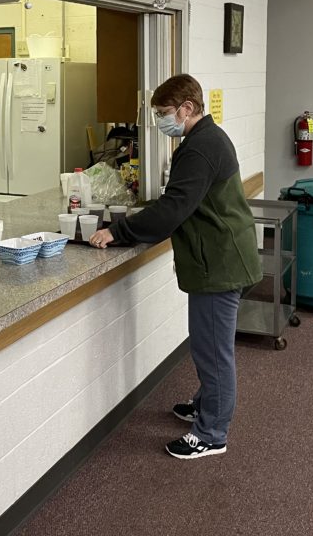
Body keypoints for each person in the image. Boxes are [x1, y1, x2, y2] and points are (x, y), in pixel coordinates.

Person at [89, 74, 261, 460]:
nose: (162, 121)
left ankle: (212, 433)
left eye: (165, 113)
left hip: (218, 263)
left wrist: (119, 231)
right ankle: (205, 405)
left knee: (214, 352)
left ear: (187, 108)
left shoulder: (199, 149)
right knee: (207, 344)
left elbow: (173, 211)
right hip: (221, 254)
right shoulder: (205, 139)